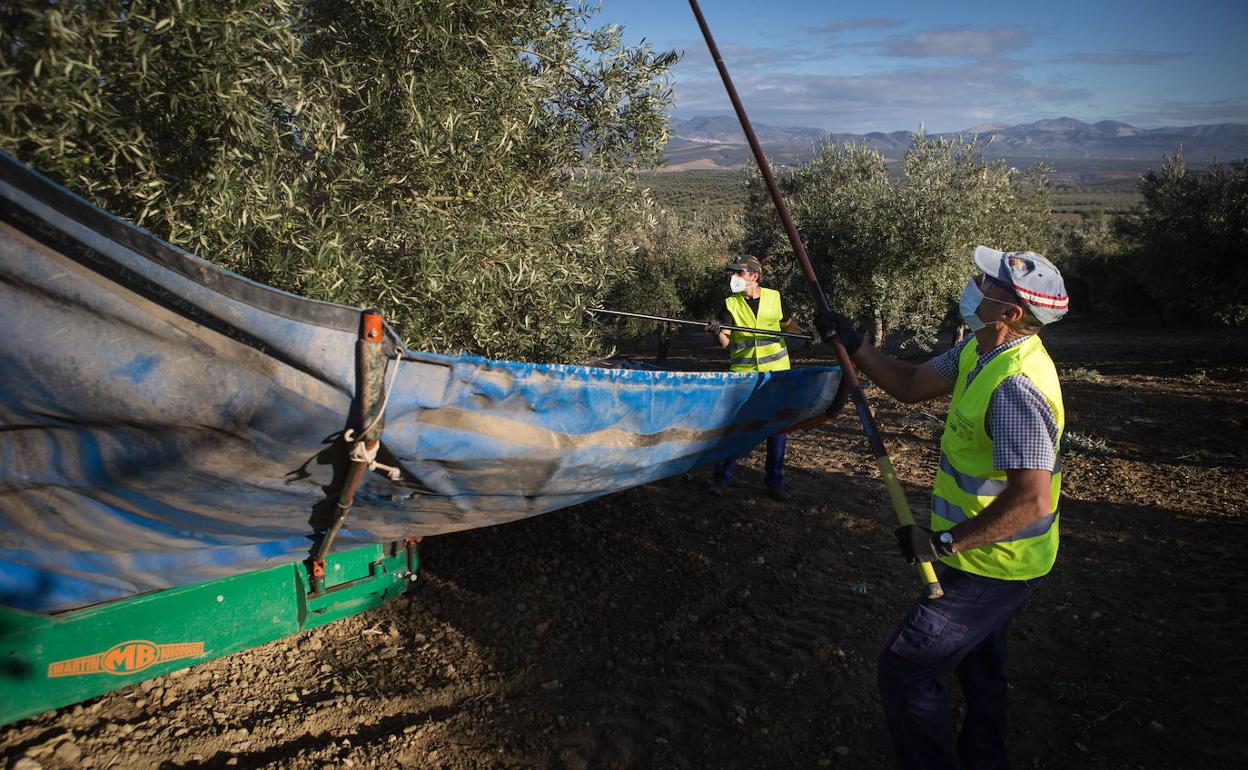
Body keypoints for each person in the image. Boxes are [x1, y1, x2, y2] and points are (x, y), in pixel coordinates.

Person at [816, 246, 1069, 770]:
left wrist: (944, 542)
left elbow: (1032, 498)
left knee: (906, 669)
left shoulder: (1016, 386)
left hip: (993, 566)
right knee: (980, 668)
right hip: (977, 556)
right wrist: (856, 343)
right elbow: (910, 384)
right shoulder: (979, 349)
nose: (973, 284)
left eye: (986, 282)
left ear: (1011, 312)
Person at [705, 256, 806, 502]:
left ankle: (774, 482)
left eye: (739, 273)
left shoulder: (775, 298)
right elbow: (725, 342)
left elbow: (787, 323)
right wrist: (717, 331)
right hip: (744, 377)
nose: (734, 278)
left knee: (777, 429)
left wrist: (805, 334)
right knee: (735, 426)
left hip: (776, 375)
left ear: (754, 276)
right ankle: (721, 478)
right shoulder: (730, 304)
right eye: (733, 273)